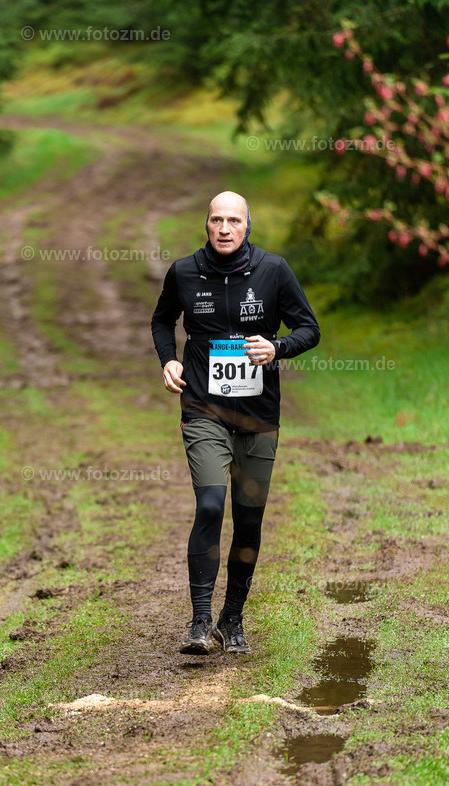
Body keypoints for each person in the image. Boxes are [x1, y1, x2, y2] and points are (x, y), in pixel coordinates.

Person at [151, 190, 320, 655]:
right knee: (209, 506)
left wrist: (277, 347)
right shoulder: (184, 272)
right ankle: (200, 621)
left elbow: (309, 328)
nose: (224, 229)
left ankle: (233, 617)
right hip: (203, 409)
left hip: (258, 416)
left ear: (248, 226)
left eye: (233, 221)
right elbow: (163, 320)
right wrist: (169, 360)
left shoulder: (273, 270)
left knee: (248, 520)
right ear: (206, 225)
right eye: (216, 220)